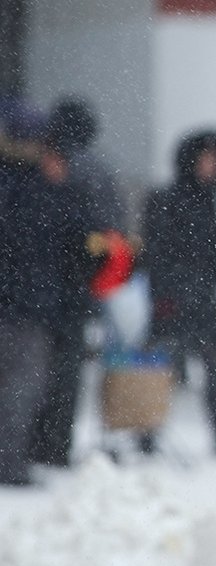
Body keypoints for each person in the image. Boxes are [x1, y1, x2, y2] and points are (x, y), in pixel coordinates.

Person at [29, 97, 126, 467]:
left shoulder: (45, 167)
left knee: (36, 371)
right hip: (80, 288)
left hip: (41, 287)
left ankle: (32, 444)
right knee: (66, 373)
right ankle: (56, 446)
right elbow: (111, 231)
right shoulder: (97, 170)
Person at [1, 132, 100, 485]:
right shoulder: (34, 199)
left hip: (28, 308)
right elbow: (39, 259)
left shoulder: (22, 193)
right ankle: (10, 465)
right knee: (23, 388)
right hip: (24, 310)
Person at [142, 130, 216, 457]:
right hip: (171, 298)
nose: (209, 166)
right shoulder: (166, 200)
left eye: (215, 161)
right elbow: (157, 253)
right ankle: (147, 433)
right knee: (159, 369)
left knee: (212, 371)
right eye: (204, 159)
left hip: (203, 298)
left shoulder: (212, 205)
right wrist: (167, 293)